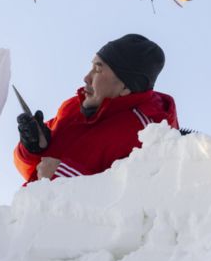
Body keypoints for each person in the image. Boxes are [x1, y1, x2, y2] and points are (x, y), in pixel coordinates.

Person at [14, 33, 179, 183]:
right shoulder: (72, 107)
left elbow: (141, 203)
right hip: (26, 211)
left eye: (98, 70)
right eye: (91, 67)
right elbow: (37, 172)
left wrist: (64, 177)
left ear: (125, 88)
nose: (86, 77)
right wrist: (31, 149)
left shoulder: (147, 135)